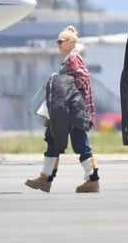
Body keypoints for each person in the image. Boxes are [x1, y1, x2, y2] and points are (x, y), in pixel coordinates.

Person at [25, 25, 100, 193]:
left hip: (73, 109)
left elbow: (83, 80)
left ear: (71, 42)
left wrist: (63, 83)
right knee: (52, 138)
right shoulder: (68, 59)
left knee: (80, 143)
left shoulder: (74, 58)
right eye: (57, 41)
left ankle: (92, 179)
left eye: (61, 41)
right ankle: (45, 178)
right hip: (64, 109)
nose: (58, 44)